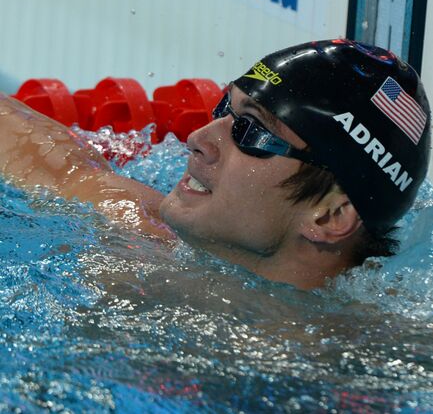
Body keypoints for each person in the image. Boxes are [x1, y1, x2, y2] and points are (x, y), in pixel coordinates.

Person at [0, 39, 430, 289]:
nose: (198, 139)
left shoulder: (345, 362)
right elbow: (58, 164)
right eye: (225, 108)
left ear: (331, 214)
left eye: (251, 132)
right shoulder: (141, 231)